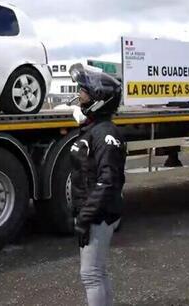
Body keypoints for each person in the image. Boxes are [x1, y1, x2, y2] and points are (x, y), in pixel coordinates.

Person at [68, 64, 126, 306]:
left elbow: (107, 180)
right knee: (98, 272)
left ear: (99, 100)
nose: (79, 97)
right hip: (94, 212)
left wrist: (85, 218)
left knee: (90, 274)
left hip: (99, 215)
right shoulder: (93, 130)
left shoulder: (104, 134)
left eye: (84, 93)